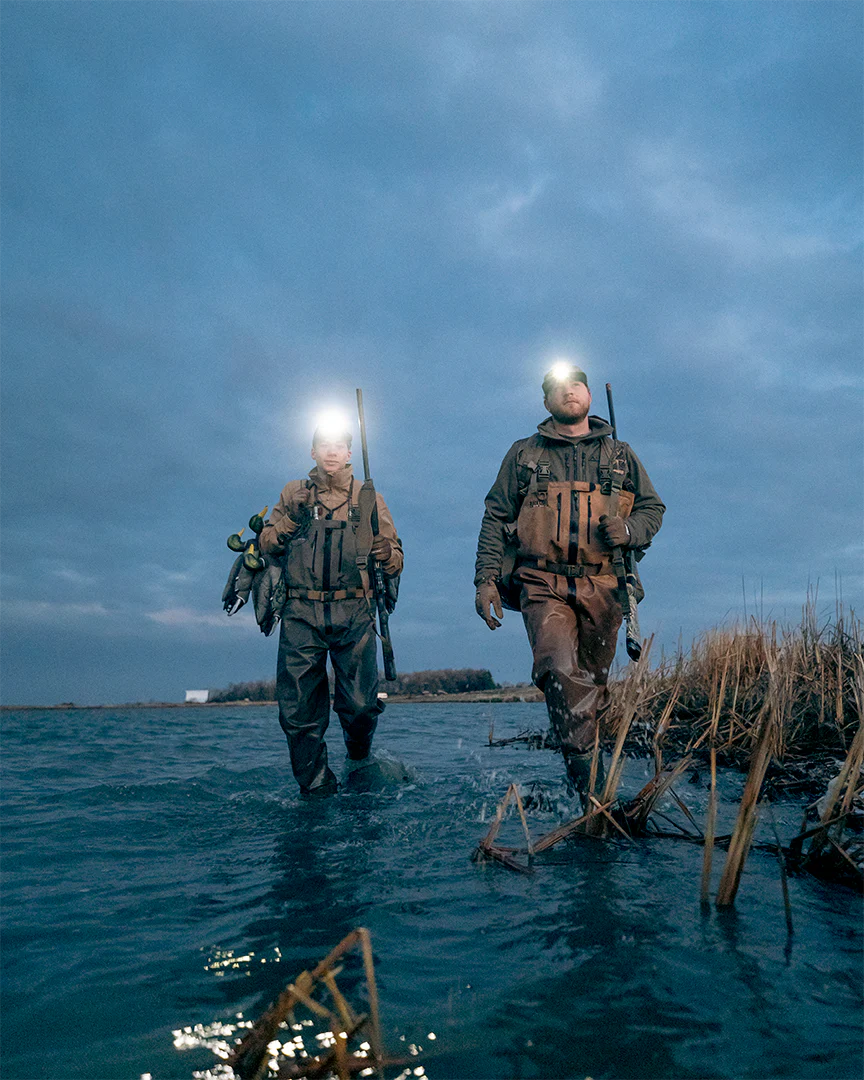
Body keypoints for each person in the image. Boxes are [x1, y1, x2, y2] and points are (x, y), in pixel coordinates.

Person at [474, 363, 665, 801]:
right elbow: (496, 517)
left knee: (593, 686)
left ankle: (583, 772)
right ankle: (593, 796)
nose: (569, 392)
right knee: (560, 671)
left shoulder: (621, 455)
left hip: (606, 585)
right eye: (558, 388)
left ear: (589, 396)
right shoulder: (524, 455)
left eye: (576, 384)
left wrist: (630, 531)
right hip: (542, 582)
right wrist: (485, 578)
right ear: (546, 402)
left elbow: (652, 510)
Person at [258, 420, 403, 797]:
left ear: (350, 454)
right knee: (298, 713)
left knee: (359, 707)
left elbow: (396, 556)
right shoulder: (294, 492)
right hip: (301, 614)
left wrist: (386, 552)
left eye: (340, 445)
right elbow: (268, 543)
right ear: (313, 452)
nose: (332, 451)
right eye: (324, 445)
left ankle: (358, 758)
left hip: (354, 612)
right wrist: (293, 517)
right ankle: (316, 789)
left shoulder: (368, 496)